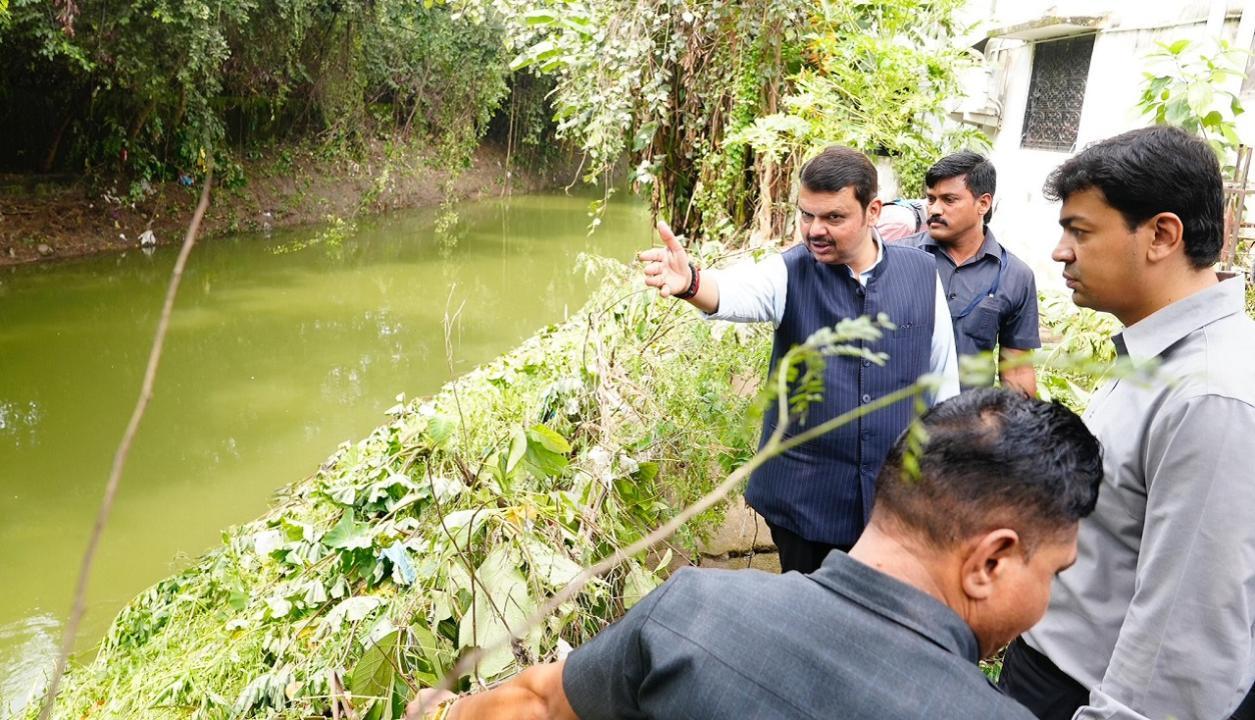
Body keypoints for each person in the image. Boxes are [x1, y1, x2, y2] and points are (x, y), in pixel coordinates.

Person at [407, 389, 1104, 720]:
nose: (1047, 605)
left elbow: (533, 702)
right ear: (989, 561)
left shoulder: (695, 606)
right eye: (1053, 573)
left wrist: (441, 712)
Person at [998, 125, 1255, 720]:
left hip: (1086, 692)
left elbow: (1185, 637)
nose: (1061, 251)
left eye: (1080, 231)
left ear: (1162, 235)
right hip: (1050, 660)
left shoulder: (1211, 395)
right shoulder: (1157, 353)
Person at [636, 145, 960, 574]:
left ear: (873, 211)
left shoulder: (921, 274)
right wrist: (692, 282)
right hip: (804, 504)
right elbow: (737, 293)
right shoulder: (789, 272)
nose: (815, 230)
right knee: (804, 616)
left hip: (891, 506)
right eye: (807, 215)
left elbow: (942, 382)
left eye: (834, 217)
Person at [902, 152, 1040, 395]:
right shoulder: (900, 258)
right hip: (898, 416)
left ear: (983, 204)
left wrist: (1023, 427)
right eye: (931, 199)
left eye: (949, 200)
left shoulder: (1015, 276)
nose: (934, 209)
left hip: (965, 423)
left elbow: (1017, 369)